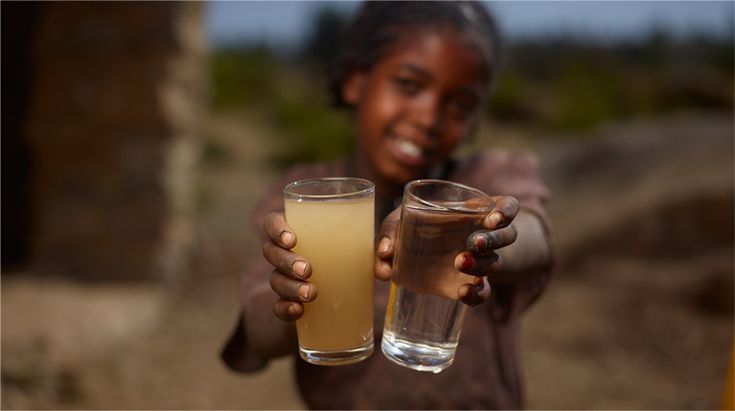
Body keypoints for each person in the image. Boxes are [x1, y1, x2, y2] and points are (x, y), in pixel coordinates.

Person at [221, 1, 554, 409]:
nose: (429, 117)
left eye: (460, 105)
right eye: (409, 85)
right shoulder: (303, 197)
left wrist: (478, 237)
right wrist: (288, 301)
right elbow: (259, 331)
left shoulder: (486, 178)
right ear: (355, 82)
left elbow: (535, 238)